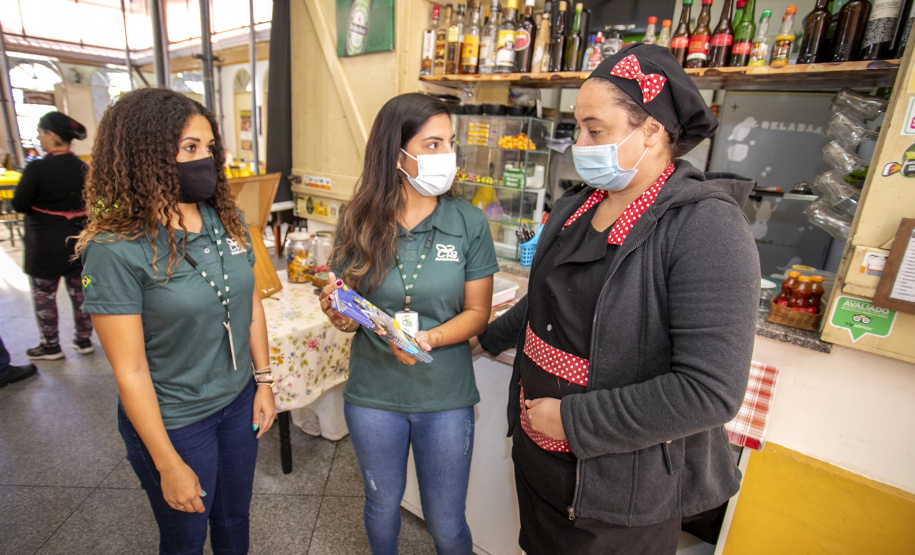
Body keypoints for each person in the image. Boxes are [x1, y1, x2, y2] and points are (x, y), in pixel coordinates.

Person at [476, 43, 760, 554]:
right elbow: (545, 303)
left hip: (618, 488)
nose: (579, 143)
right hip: (540, 460)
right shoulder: (578, 207)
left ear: (651, 130)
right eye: (577, 128)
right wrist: (482, 337)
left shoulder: (706, 227)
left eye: (594, 130)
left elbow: (708, 391)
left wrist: (570, 420)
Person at [75, 88, 276, 554]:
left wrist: (262, 381)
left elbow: (250, 307)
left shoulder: (225, 219)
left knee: (233, 520)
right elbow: (131, 371)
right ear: (144, 155)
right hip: (176, 422)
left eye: (208, 147)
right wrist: (166, 461)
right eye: (189, 148)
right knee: (185, 538)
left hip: (237, 402)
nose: (206, 159)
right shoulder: (115, 250)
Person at [318, 93, 499, 554]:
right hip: (374, 393)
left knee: (446, 522)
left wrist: (428, 337)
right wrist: (339, 311)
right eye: (432, 143)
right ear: (395, 154)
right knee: (381, 504)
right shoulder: (357, 219)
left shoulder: (469, 221)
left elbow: (479, 313)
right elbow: (349, 308)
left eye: (450, 143)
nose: (447, 156)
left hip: (446, 396)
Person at [12, 111, 93, 360]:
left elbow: (19, 203)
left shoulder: (37, 167)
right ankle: (83, 339)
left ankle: (50, 345)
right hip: (77, 242)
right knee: (81, 292)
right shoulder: (83, 167)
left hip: (44, 243)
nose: (40, 138)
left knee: (44, 294)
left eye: (40, 133)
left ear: (51, 134)